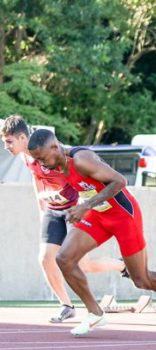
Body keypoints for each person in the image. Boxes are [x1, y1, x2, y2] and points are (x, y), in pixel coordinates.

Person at [27, 128, 156, 336]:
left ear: (55, 147)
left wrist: (86, 205)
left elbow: (120, 181)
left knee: (141, 280)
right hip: (99, 215)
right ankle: (95, 313)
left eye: (43, 158)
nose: (42, 164)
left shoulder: (81, 160)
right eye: (37, 160)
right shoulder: (57, 164)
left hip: (124, 216)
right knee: (64, 258)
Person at [1, 115, 128, 323]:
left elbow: (76, 177)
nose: (6, 147)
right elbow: (37, 178)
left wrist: (78, 202)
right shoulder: (26, 157)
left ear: (23, 137)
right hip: (52, 210)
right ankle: (66, 306)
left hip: (73, 209)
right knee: (45, 258)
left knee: (83, 265)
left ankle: (122, 266)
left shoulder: (50, 149)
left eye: (9, 142)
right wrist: (41, 206)